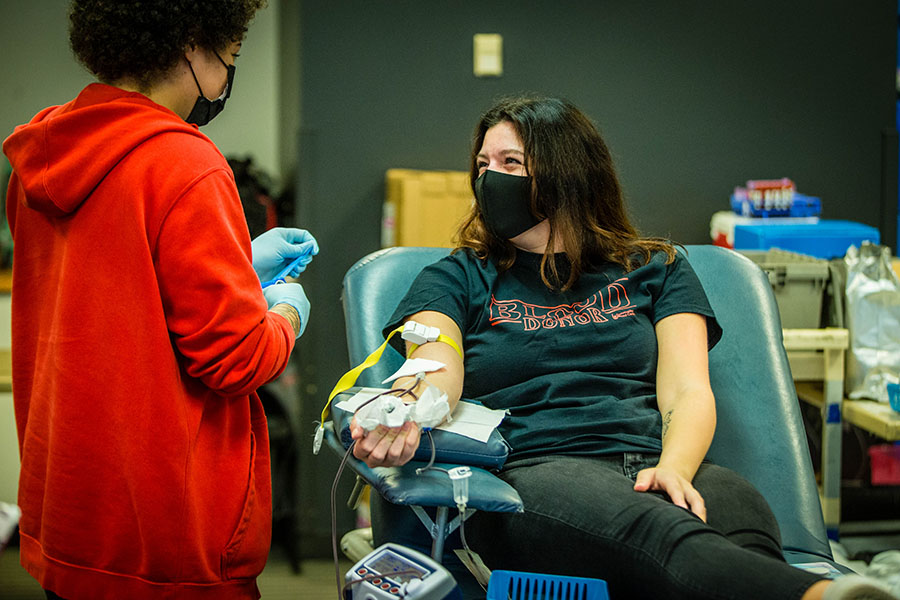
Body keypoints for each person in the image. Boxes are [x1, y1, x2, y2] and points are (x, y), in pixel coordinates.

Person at [349, 96, 898, 600]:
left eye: (511, 163)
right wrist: (405, 408)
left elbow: (687, 391)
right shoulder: (458, 276)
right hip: (541, 471)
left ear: (567, 173)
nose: (489, 177)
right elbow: (432, 366)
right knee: (657, 531)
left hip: (653, 456)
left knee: (739, 512)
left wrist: (675, 469)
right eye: (483, 164)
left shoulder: (656, 267)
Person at [2, 1, 315, 598]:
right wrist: (286, 311)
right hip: (164, 538)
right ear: (192, 44)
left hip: (72, 517)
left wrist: (236, 264)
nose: (226, 76)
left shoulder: (39, 160)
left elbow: (117, 291)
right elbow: (238, 360)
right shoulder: (186, 162)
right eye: (231, 57)